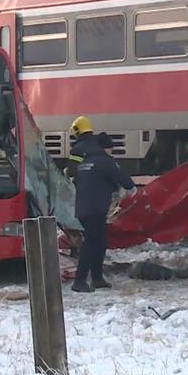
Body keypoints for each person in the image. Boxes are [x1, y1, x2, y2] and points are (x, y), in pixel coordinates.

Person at [68, 116, 137, 293]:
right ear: (105, 148)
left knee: (100, 241)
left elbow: (75, 175)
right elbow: (124, 180)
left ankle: (97, 278)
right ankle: (79, 281)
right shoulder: (105, 161)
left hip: (84, 208)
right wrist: (130, 190)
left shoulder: (86, 162)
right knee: (92, 242)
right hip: (95, 208)